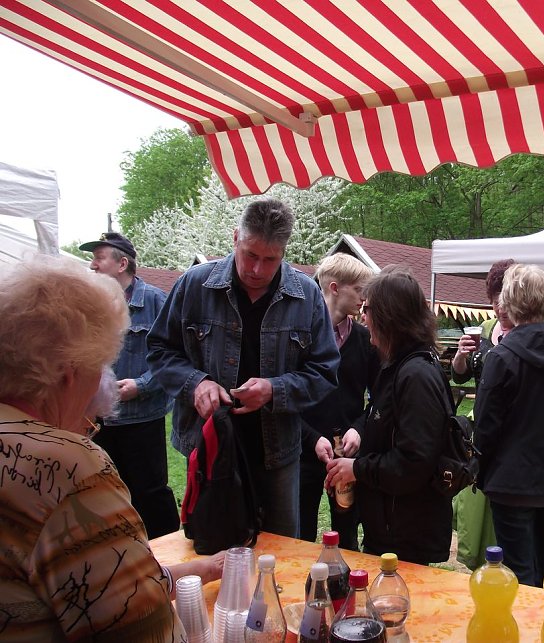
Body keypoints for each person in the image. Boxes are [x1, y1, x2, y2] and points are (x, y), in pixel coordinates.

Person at [0, 256, 224, 640]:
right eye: (101, 367)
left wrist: (187, 573)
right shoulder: (69, 468)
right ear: (68, 374)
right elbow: (143, 628)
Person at [147, 198, 340, 538]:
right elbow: (160, 349)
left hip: (277, 452)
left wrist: (274, 390)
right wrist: (196, 384)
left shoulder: (307, 295)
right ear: (235, 237)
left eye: (270, 259)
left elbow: (325, 371)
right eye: (250, 255)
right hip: (208, 448)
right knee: (212, 545)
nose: (258, 270)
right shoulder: (194, 285)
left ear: (284, 251)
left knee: (279, 551)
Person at [324, 266, 453, 565]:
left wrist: (357, 469)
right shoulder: (395, 366)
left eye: (367, 308)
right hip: (390, 528)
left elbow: (413, 463)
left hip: (405, 536)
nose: (361, 316)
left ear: (388, 315)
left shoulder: (416, 375)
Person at [474, 264, 544, 587]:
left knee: (519, 572)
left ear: (507, 301)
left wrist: (482, 470)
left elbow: (485, 427)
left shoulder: (502, 357)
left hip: (513, 484)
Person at [78, 231, 180, 539]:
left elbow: (175, 356)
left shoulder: (156, 301)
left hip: (141, 418)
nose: (93, 265)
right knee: (105, 492)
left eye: (99, 258)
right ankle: (120, 552)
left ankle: (165, 552)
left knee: (150, 492)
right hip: (97, 421)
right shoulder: (90, 304)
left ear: (122, 263)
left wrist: (142, 384)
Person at [299, 253, 379, 549]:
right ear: (334, 288)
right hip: (304, 454)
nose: (364, 299)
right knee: (300, 535)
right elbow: (285, 401)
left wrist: (359, 428)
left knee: (346, 535)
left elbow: (379, 396)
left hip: (346, 455)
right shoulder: (300, 337)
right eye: (359, 290)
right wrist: (310, 438)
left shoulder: (365, 339)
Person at [449, 258, 515, 569]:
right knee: (475, 506)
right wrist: (461, 355)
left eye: (504, 298)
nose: (499, 307)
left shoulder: (524, 332)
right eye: (493, 299)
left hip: (512, 431)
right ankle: (479, 563)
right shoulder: (486, 329)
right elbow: (460, 376)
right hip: (481, 428)